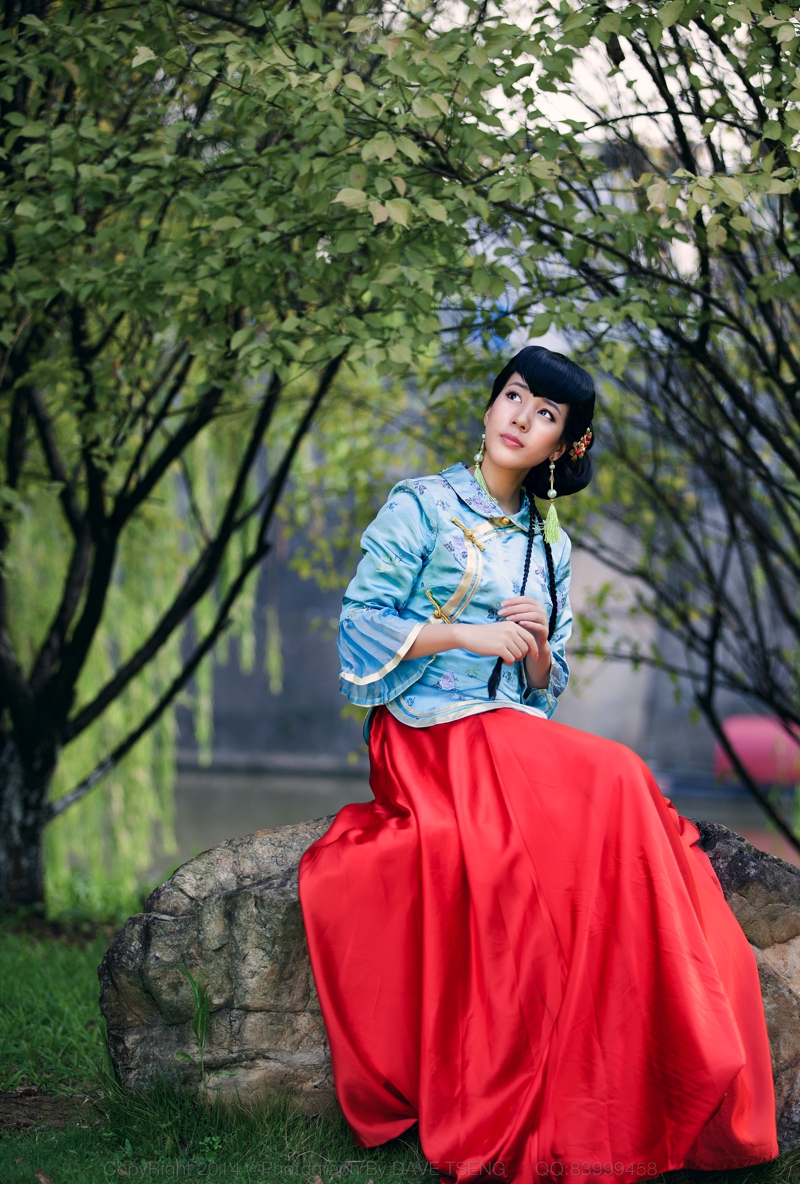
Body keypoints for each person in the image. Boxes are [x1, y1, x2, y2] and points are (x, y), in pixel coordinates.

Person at [297, 346, 778, 1184]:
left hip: (507, 734)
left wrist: (537, 653)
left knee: (618, 782)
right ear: (492, 405)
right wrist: (471, 634)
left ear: (564, 445)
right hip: (425, 733)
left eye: (546, 414)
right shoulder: (421, 505)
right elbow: (360, 626)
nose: (522, 418)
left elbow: (544, 690)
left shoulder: (548, 543)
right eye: (515, 397)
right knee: (617, 778)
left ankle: (666, 1054)